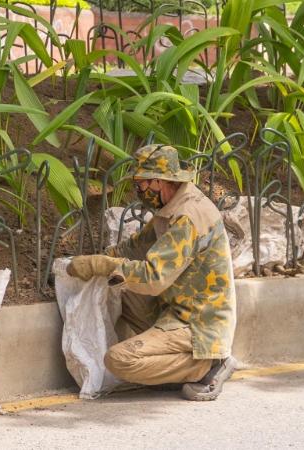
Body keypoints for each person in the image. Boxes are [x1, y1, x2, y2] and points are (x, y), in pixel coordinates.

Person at [67, 144, 238, 401]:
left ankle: (208, 364)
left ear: (158, 181)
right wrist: (95, 259)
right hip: (176, 306)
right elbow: (136, 247)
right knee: (117, 290)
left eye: (140, 183)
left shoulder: (187, 218)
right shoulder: (173, 206)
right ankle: (176, 367)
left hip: (199, 324)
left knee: (119, 360)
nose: (138, 190)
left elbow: (154, 278)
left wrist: (102, 265)